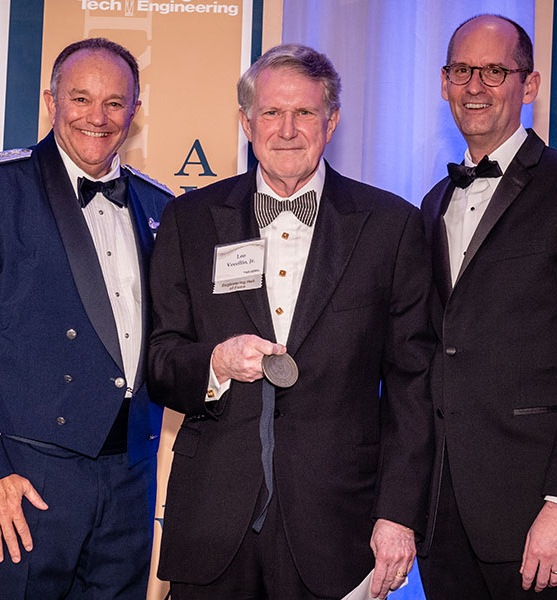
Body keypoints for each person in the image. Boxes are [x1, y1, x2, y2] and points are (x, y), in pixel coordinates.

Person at [147, 43, 435, 600]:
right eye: (272, 113)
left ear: (331, 122)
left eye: (304, 113)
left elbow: (413, 385)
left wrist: (399, 514)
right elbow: (159, 361)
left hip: (339, 525)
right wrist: (216, 363)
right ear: (245, 122)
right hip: (213, 520)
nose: (286, 129)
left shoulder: (389, 226)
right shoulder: (189, 221)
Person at [0, 37, 171, 599]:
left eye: (114, 102)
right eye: (80, 98)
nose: (97, 118)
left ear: (134, 110)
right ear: (52, 102)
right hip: (21, 480)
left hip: (128, 482)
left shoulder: (161, 206)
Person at [417, 14, 557, 600]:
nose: (476, 86)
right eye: (462, 70)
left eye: (495, 71)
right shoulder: (434, 200)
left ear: (529, 85)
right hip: (445, 518)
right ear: (443, 83)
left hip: (539, 516)